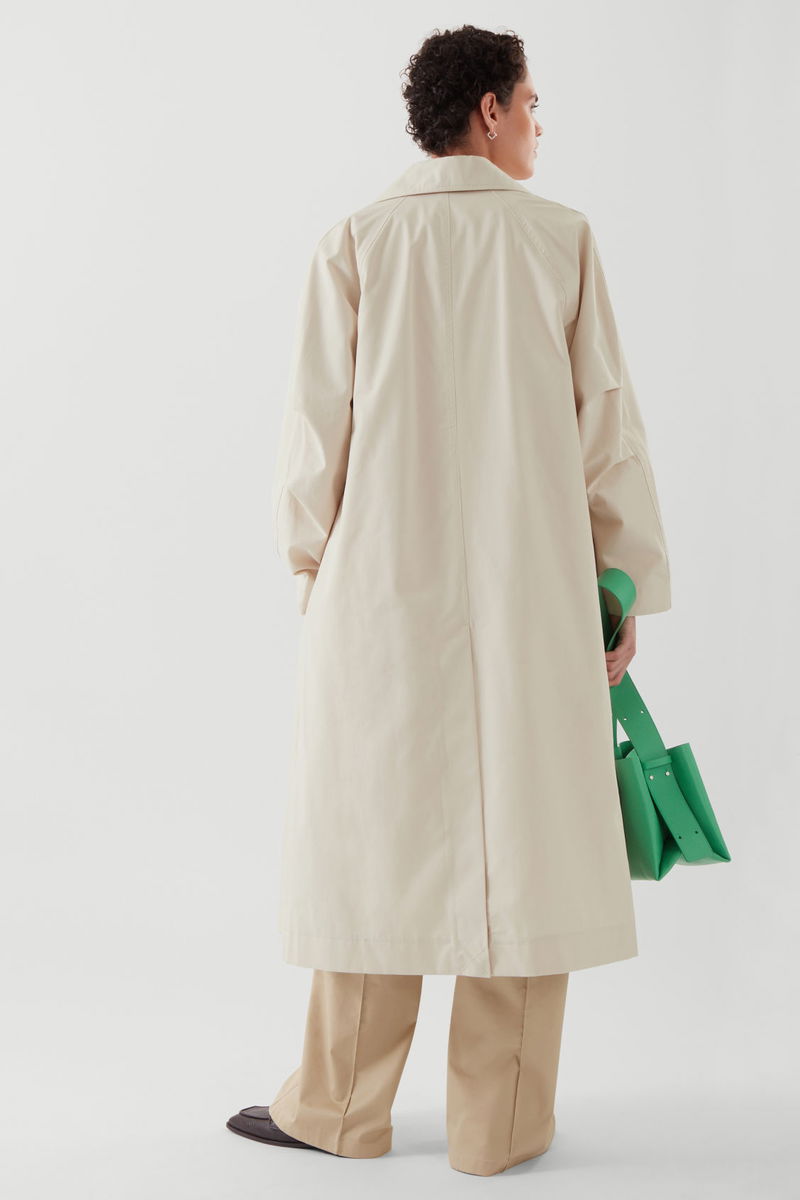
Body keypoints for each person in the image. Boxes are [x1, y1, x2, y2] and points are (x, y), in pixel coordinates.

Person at [227, 23, 671, 1176]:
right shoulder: (558, 240)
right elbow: (606, 427)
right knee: (524, 838)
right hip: (533, 597)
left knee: (372, 839)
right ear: (487, 110)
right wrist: (616, 580)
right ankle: (499, 1125)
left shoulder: (357, 241)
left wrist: (310, 568)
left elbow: (313, 432)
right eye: (530, 103)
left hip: (376, 594)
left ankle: (336, 1110)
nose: (538, 123)